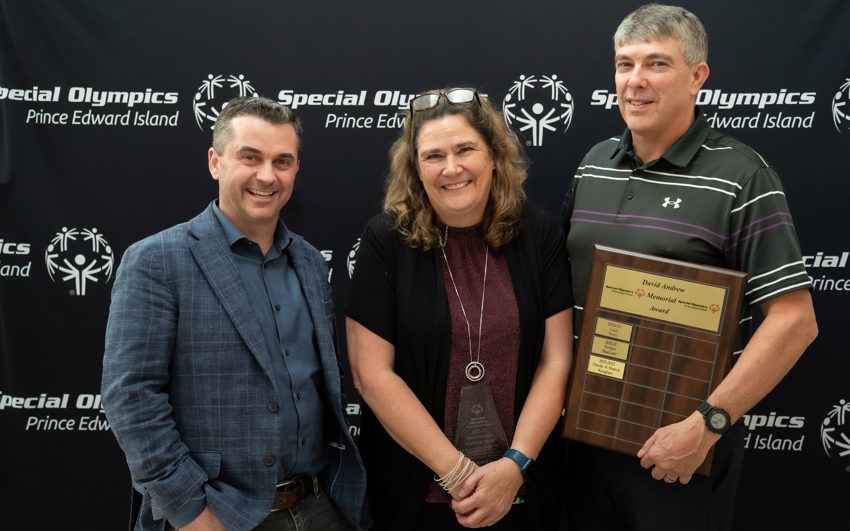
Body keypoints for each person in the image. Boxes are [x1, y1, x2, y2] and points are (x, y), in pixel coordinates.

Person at [560, 4, 818, 531]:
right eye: (624, 64)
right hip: (583, 437)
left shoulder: (742, 176)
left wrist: (707, 424)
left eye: (657, 64)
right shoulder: (593, 163)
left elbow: (795, 321)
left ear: (698, 76)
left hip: (678, 451)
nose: (635, 82)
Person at [101, 96, 371, 531]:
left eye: (282, 161)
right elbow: (131, 397)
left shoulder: (308, 261)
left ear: (296, 169)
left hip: (320, 507)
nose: (267, 175)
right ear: (215, 162)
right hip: (216, 514)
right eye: (251, 158)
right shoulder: (157, 260)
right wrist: (191, 513)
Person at [345, 87, 573, 530]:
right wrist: (460, 475)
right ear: (414, 169)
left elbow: (557, 359)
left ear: (493, 155)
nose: (451, 168)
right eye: (433, 156)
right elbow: (371, 376)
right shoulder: (386, 241)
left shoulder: (539, 233)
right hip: (416, 496)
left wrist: (514, 467)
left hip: (522, 489)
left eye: (465, 149)